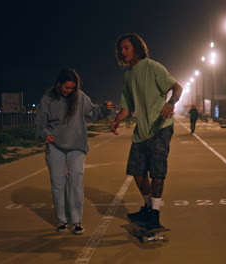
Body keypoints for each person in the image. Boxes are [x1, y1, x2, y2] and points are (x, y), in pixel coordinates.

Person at [110, 33, 183, 230]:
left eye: (126, 48)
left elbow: (177, 88)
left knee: (157, 173)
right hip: (141, 131)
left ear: (136, 47)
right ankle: (148, 207)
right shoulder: (127, 76)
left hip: (160, 127)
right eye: (120, 49)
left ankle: (155, 215)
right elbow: (126, 107)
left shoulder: (153, 67)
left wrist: (171, 103)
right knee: (137, 173)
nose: (123, 52)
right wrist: (117, 120)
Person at [36, 68, 112, 235]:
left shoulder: (80, 97)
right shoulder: (47, 98)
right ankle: (62, 220)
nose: (69, 91)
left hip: (77, 145)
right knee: (58, 183)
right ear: (58, 84)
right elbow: (40, 123)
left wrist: (105, 109)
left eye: (72, 88)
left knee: (76, 179)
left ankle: (76, 221)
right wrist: (45, 134)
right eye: (66, 88)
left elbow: (93, 112)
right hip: (55, 145)